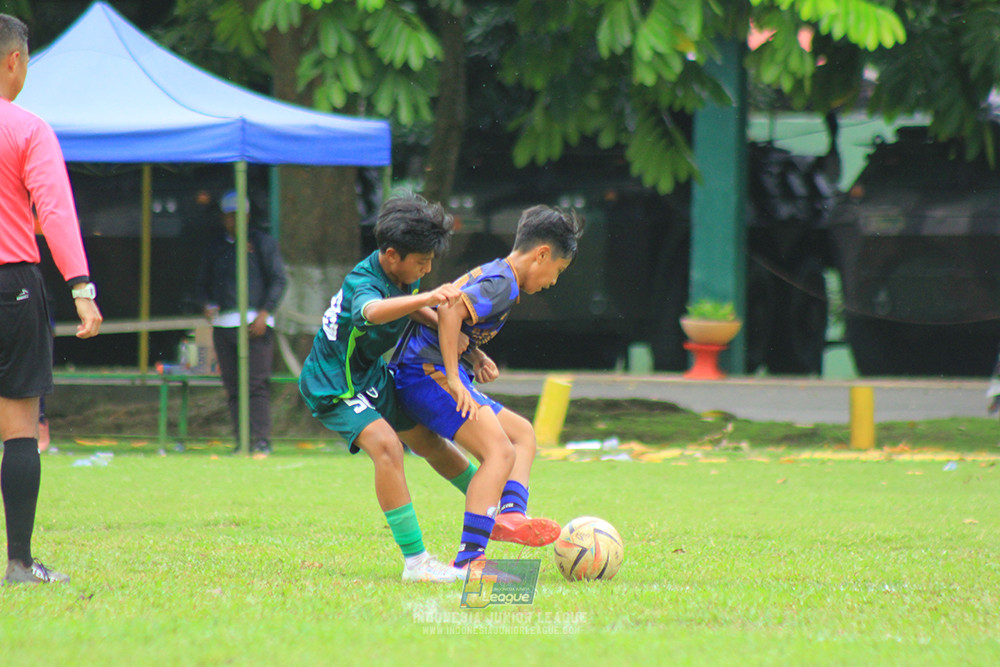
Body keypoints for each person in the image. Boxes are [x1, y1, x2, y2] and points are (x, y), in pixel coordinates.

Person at [298, 193, 480, 583]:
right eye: (422, 262)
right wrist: (430, 297)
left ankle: (489, 504)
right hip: (335, 383)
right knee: (387, 446)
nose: (428, 270)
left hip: (370, 377)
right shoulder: (363, 282)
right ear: (392, 254)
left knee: (430, 441)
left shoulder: (401, 276)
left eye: (432, 262)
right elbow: (371, 310)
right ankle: (416, 563)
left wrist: (464, 345)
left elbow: (410, 303)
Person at [390, 204, 583, 569]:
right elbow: (449, 311)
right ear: (542, 254)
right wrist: (452, 375)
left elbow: (454, 316)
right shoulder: (503, 284)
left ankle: (511, 515)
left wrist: (474, 355)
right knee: (499, 452)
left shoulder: (499, 274)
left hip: (435, 371)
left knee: (521, 434)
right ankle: (470, 560)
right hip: (425, 373)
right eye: (557, 271)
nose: (553, 282)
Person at [0, 14, 103, 585]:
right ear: (15, 59)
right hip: (10, 284)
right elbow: (56, 212)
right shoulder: (27, 128)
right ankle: (18, 562)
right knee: (18, 424)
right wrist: (81, 290)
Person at [195, 191, 287, 455]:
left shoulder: (263, 244)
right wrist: (206, 304)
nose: (235, 221)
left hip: (255, 324)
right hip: (224, 324)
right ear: (224, 218)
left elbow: (279, 280)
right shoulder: (215, 247)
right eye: (230, 216)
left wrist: (264, 314)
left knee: (256, 384)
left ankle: (260, 440)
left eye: (240, 216)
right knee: (233, 386)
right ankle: (241, 440)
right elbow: (202, 284)